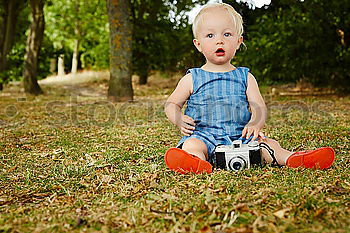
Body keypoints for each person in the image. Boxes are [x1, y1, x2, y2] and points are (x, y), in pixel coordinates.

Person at [164, 3, 334, 174]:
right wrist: (178, 118)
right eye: (210, 35)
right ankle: (196, 162)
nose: (219, 40)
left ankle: (293, 158)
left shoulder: (245, 77)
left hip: (241, 137)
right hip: (203, 136)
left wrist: (255, 123)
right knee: (191, 145)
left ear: (238, 42)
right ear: (198, 44)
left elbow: (258, 106)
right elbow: (171, 104)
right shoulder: (192, 78)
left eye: (227, 34)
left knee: (267, 145)